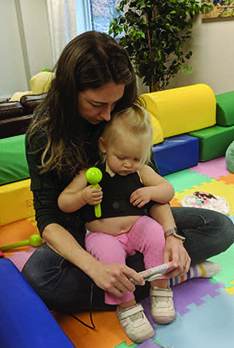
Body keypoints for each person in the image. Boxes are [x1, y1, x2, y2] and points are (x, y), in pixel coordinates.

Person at [22, 30, 234, 322]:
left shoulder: (125, 115)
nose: (109, 115)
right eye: (97, 105)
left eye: (115, 103)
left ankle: (139, 276)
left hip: (139, 223)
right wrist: (93, 267)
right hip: (83, 231)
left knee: (221, 228)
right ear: (71, 92)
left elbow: (151, 183)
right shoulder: (43, 132)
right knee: (39, 279)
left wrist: (171, 236)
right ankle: (163, 276)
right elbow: (48, 218)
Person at [58, 104, 178, 343]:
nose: (128, 164)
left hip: (136, 229)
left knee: (156, 233)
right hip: (102, 235)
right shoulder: (90, 173)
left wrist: (151, 192)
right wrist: (82, 197)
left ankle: (161, 288)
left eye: (135, 158)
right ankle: (127, 306)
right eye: (121, 157)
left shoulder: (141, 171)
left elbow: (168, 190)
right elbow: (63, 202)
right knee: (108, 253)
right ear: (104, 146)